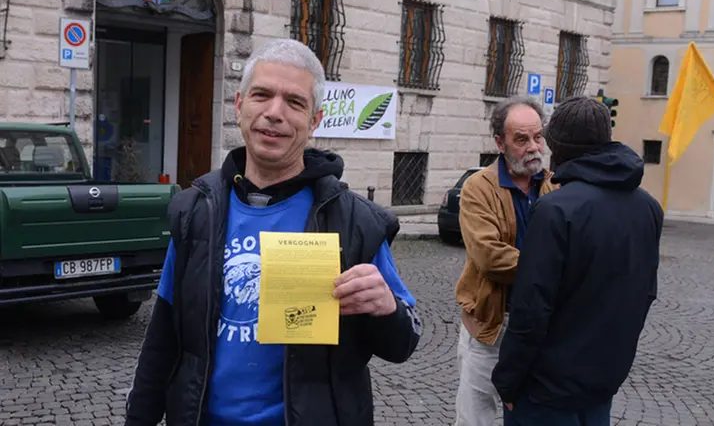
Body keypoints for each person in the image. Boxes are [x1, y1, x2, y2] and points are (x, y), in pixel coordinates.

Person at [124, 38, 422, 426]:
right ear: (239, 104)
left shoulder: (356, 223)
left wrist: (386, 309)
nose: (274, 112)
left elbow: (403, 344)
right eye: (261, 95)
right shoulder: (195, 211)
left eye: (295, 102)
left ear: (315, 119)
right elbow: (162, 341)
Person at [491, 96, 663, 425]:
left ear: (560, 146)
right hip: (603, 379)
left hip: (545, 390)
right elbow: (645, 294)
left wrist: (508, 381)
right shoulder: (649, 207)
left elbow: (532, 309)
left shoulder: (555, 210)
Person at [454, 97, 557, 426]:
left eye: (538, 137)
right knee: (475, 418)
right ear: (500, 142)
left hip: (541, 326)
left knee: (531, 415)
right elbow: (489, 256)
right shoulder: (478, 188)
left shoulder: (554, 184)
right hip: (491, 324)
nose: (533, 147)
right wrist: (552, 268)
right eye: (521, 139)